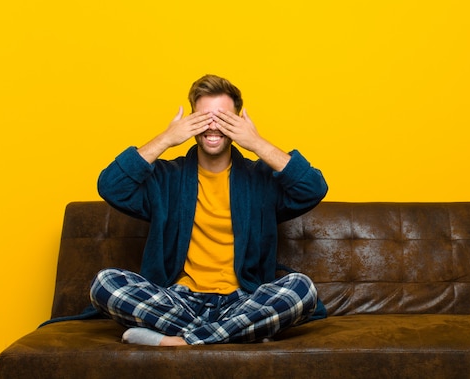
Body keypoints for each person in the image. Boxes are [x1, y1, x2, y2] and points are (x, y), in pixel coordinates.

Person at [90, 74, 328, 346]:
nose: (213, 126)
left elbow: (314, 188)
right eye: (203, 118)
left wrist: (257, 143)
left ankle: (174, 341)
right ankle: (237, 334)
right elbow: (110, 186)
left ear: (239, 123)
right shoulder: (166, 178)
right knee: (105, 283)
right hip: (178, 300)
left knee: (301, 289)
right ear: (189, 122)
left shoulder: (259, 178)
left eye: (224, 118)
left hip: (242, 300)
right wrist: (166, 138)